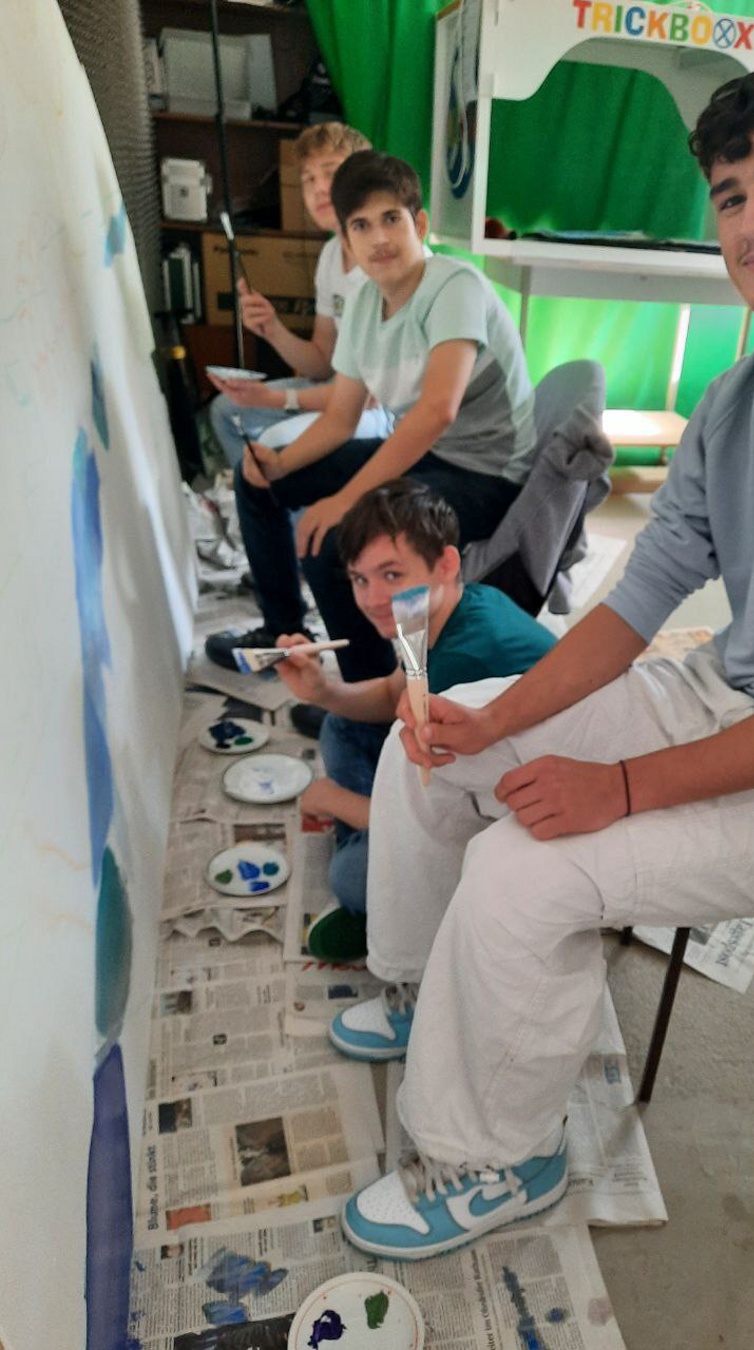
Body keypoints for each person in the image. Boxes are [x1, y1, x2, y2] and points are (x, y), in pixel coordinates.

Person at [327, 54, 754, 1262]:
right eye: (731, 194)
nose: (753, 220)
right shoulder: (737, 397)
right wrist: (495, 719)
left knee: (527, 869)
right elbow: (638, 598)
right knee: (430, 746)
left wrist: (621, 788)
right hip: (723, 690)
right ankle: (428, 986)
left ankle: (502, 1154)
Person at [205, 151, 536, 686]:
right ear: (345, 239)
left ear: (419, 224)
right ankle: (282, 635)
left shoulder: (455, 286)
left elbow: (437, 411)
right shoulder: (361, 305)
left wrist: (342, 501)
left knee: (336, 541)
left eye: (391, 219)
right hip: (431, 455)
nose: (379, 238)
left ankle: (369, 696)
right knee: (260, 481)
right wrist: (280, 463)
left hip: (487, 473)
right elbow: (341, 416)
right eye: (361, 225)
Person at [272, 479, 555, 963]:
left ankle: (379, 886)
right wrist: (321, 690)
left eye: (391, 574)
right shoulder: (436, 608)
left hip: (518, 820)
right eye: (360, 579)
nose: (373, 598)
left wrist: (335, 800)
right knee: (338, 724)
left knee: (348, 875)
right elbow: (392, 692)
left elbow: (442, 820)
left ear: (446, 563)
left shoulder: (460, 665)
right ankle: (368, 846)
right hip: (465, 780)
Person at [206, 122, 392, 469]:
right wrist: (272, 328)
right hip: (341, 387)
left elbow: (370, 397)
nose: (319, 188)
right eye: (308, 179)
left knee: (276, 443)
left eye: (331, 173)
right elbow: (321, 361)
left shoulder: (386, 258)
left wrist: (276, 399)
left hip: (384, 408)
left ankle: (272, 491)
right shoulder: (331, 255)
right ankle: (258, 495)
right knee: (226, 412)